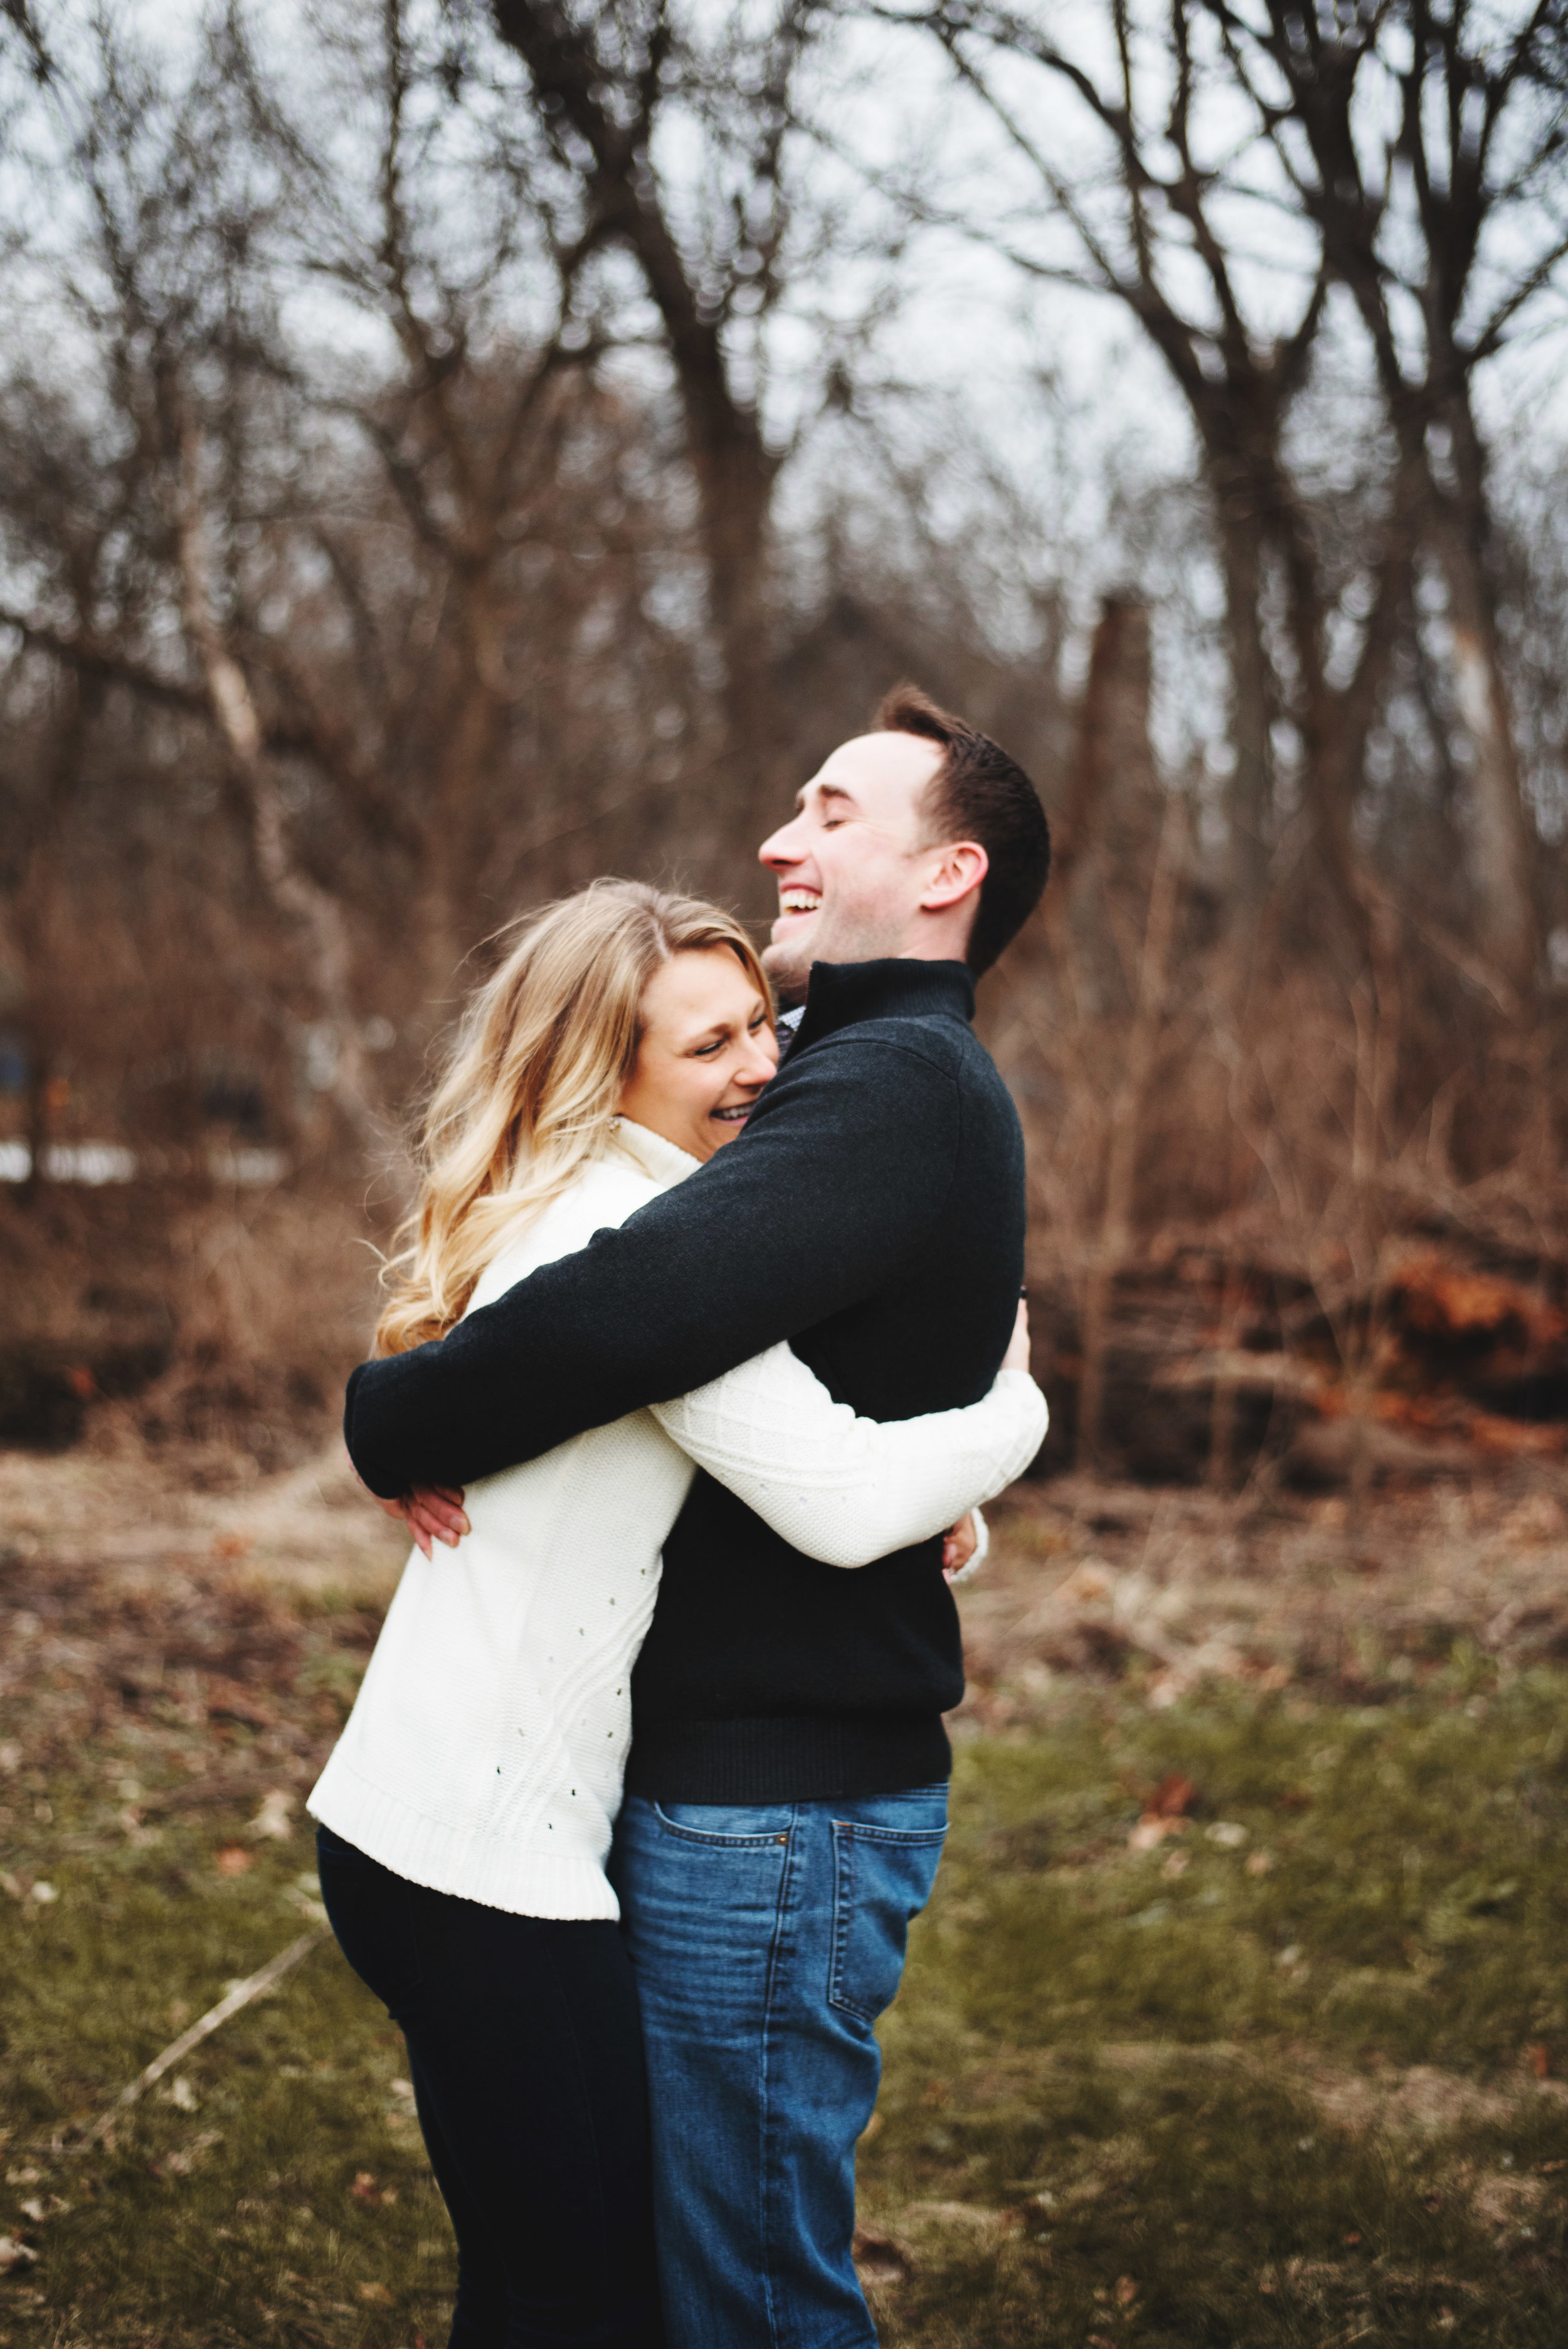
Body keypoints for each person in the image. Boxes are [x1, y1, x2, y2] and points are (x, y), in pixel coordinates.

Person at [345, 684, 1052, 2347]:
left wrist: (394, 1415)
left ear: (945, 873)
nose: (775, 837)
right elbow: (690, 1312)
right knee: (660, 2278)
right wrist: (986, 1441)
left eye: (827, 811)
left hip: (780, 1805)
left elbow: (628, 1318)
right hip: (717, 1786)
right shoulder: (832, 1074)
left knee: (737, 2296)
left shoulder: (883, 1085)